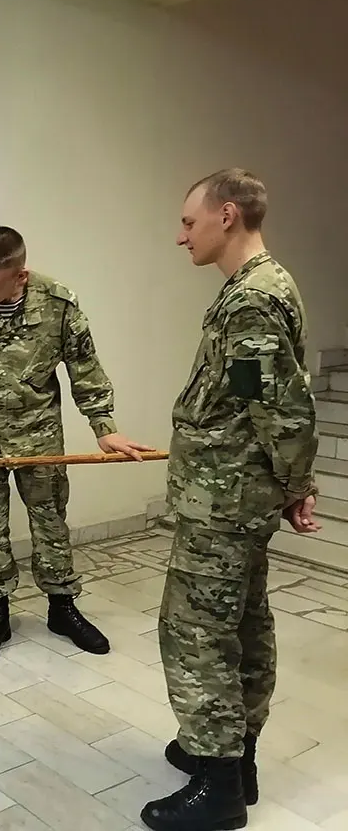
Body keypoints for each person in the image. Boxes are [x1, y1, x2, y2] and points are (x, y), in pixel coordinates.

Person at [141, 169, 318, 831]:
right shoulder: (257, 289)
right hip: (234, 495)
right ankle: (231, 760)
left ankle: (217, 787)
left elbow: (273, 402)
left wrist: (297, 484)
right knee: (242, 623)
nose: (180, 235)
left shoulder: (251, 303)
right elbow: (263, 398)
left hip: (225, 501)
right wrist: (291, 483)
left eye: (189, 222)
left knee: (196, 633)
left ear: (227, 216)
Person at [0, 226, 151, 659]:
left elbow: (85, 369)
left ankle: (62, 607)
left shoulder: (58, 305)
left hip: (40, 435)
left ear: (20, 275)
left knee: (50, 520)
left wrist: (104, 427)